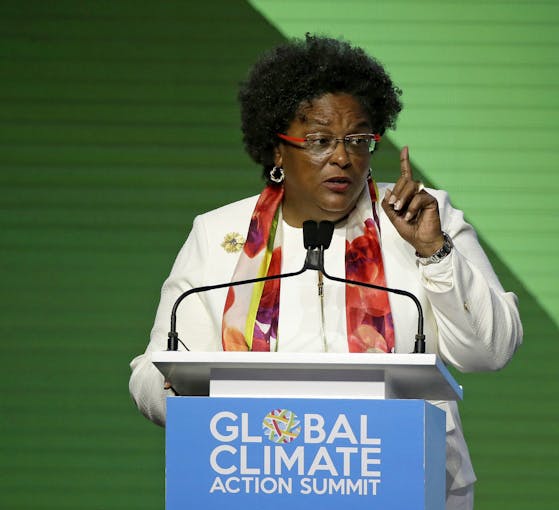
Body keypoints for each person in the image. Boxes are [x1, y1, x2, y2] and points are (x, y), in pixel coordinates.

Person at [129, 34, 522, 510]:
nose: (343, 157)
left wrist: (433, 253)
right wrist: (180, 401)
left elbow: (490, 351)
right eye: (319, 140)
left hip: (410, 488)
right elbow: (154, 369)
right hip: (256, 487)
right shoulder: (219, 234)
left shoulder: (423, 216)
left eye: (358, 140)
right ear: (278, 149)